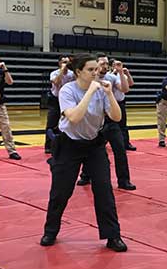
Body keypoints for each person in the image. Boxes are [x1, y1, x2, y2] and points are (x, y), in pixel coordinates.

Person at [40, 54, 127, 252]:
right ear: (78, 72)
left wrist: (110, 94)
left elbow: (116, 116)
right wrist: (90, 92)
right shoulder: (67, 90)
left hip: (94, 145)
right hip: (69, 144)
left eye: (97, 69)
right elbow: (75, 117)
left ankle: (113, 235)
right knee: (61, 191)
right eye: (91, 70)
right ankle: (50, 230)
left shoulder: (102, 89)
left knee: (104, 189)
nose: (96, 72)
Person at [76, 54, 136, 190]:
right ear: (96, 65)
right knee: (90, 149)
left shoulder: (112, 77)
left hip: (111, 119)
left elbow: (125, 89)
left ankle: (124, 180)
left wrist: (121, 72)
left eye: (106, 64)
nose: (104, 66)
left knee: (120, 149)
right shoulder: (89, 79)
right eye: (102, 63)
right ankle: (86, 175)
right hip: (95, 120)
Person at [45, 56, 74, 154]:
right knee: (52, 122)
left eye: (67, 62)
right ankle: (48, 145)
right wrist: (62, 70)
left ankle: (66, 144)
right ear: (59, 63)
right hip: (55, 100)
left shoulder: (72, 74)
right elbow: (56, 82)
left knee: (67, 123)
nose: (66, 64)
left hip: (67, 101)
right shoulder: (54, 73)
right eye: (64, 62)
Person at [119, 65, 137, 151]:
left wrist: (127, 73)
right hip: (109, 102)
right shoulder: (109, 75)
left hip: (120, 102)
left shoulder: (122, 75)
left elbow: (131, 84)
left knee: (123, 124)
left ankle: (126, 143)